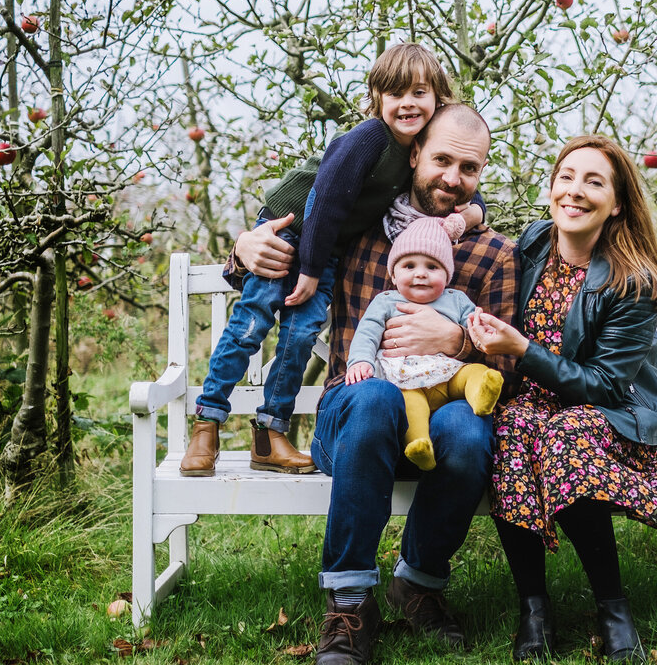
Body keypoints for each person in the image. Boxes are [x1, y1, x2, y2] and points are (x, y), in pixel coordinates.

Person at [231, 103, 518, 665]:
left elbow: (504, 371)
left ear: (482, 173)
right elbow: (279, 261)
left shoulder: (494, 253)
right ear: (415, 155)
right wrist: (245, 246)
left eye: (469, 168)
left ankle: (418, 583)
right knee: (376, 398)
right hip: (355, 418)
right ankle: (349, 600)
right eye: (441, 160)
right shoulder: (358, 230)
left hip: (440, 426)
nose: (452, 179)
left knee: (467, 426)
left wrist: (457, 344)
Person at [181, 43, 480, 477]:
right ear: (378, 100)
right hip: (292, 231)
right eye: (395, 93)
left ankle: (269, 434)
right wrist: (306, 268)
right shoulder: (370, 137)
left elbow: (468, 186)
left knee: (300, 335)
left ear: (438, 100)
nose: (408, 103)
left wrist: (469, 215)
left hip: (323, 253)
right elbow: (322, 201)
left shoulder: (424, 150)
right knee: (251, 325)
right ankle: (206, 424)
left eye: (419, 92)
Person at [468, 134, 657, 664]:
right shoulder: (532, 244)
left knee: (566, 435)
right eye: (566, 177)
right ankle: (534, 609)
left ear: (616, 204)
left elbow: (607, 385)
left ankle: (614, 610)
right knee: (513, 427)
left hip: (615, 416)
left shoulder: (633, 281)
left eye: (594, 181)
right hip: (537, 409)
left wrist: (522, 350)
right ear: (551, 190)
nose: (575, 191)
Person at [345, 214, 504, 471]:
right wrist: (361, 361)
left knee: (475, 372)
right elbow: (367, 333)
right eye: (409, 266)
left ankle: (481, 395)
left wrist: (480, 327)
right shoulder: (386, 301)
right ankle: (420, 446)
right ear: (394, 276)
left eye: (432, 267)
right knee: (410, 405)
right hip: (406, 379)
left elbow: (476, 325)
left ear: (447, 275)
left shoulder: (456, 300)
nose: (421, 274)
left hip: (448, 374)